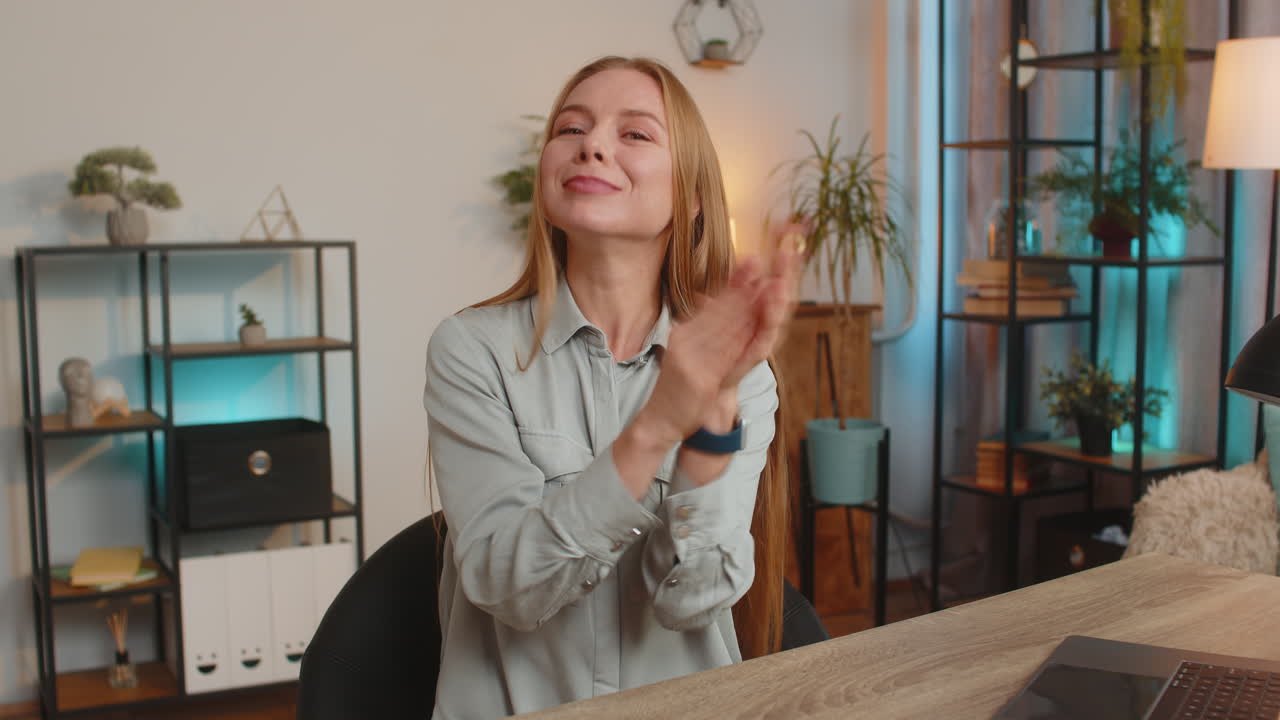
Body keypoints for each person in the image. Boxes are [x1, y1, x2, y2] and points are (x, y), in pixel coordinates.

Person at [423, 56, 799, 720]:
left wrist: (711, 426)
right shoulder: (471, 351)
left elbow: (692, 601)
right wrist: (655, 429)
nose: (591, 144)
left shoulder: (742, 378)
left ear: (691, 195)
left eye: (636, 134)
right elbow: (510, 587)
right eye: (571, 128)